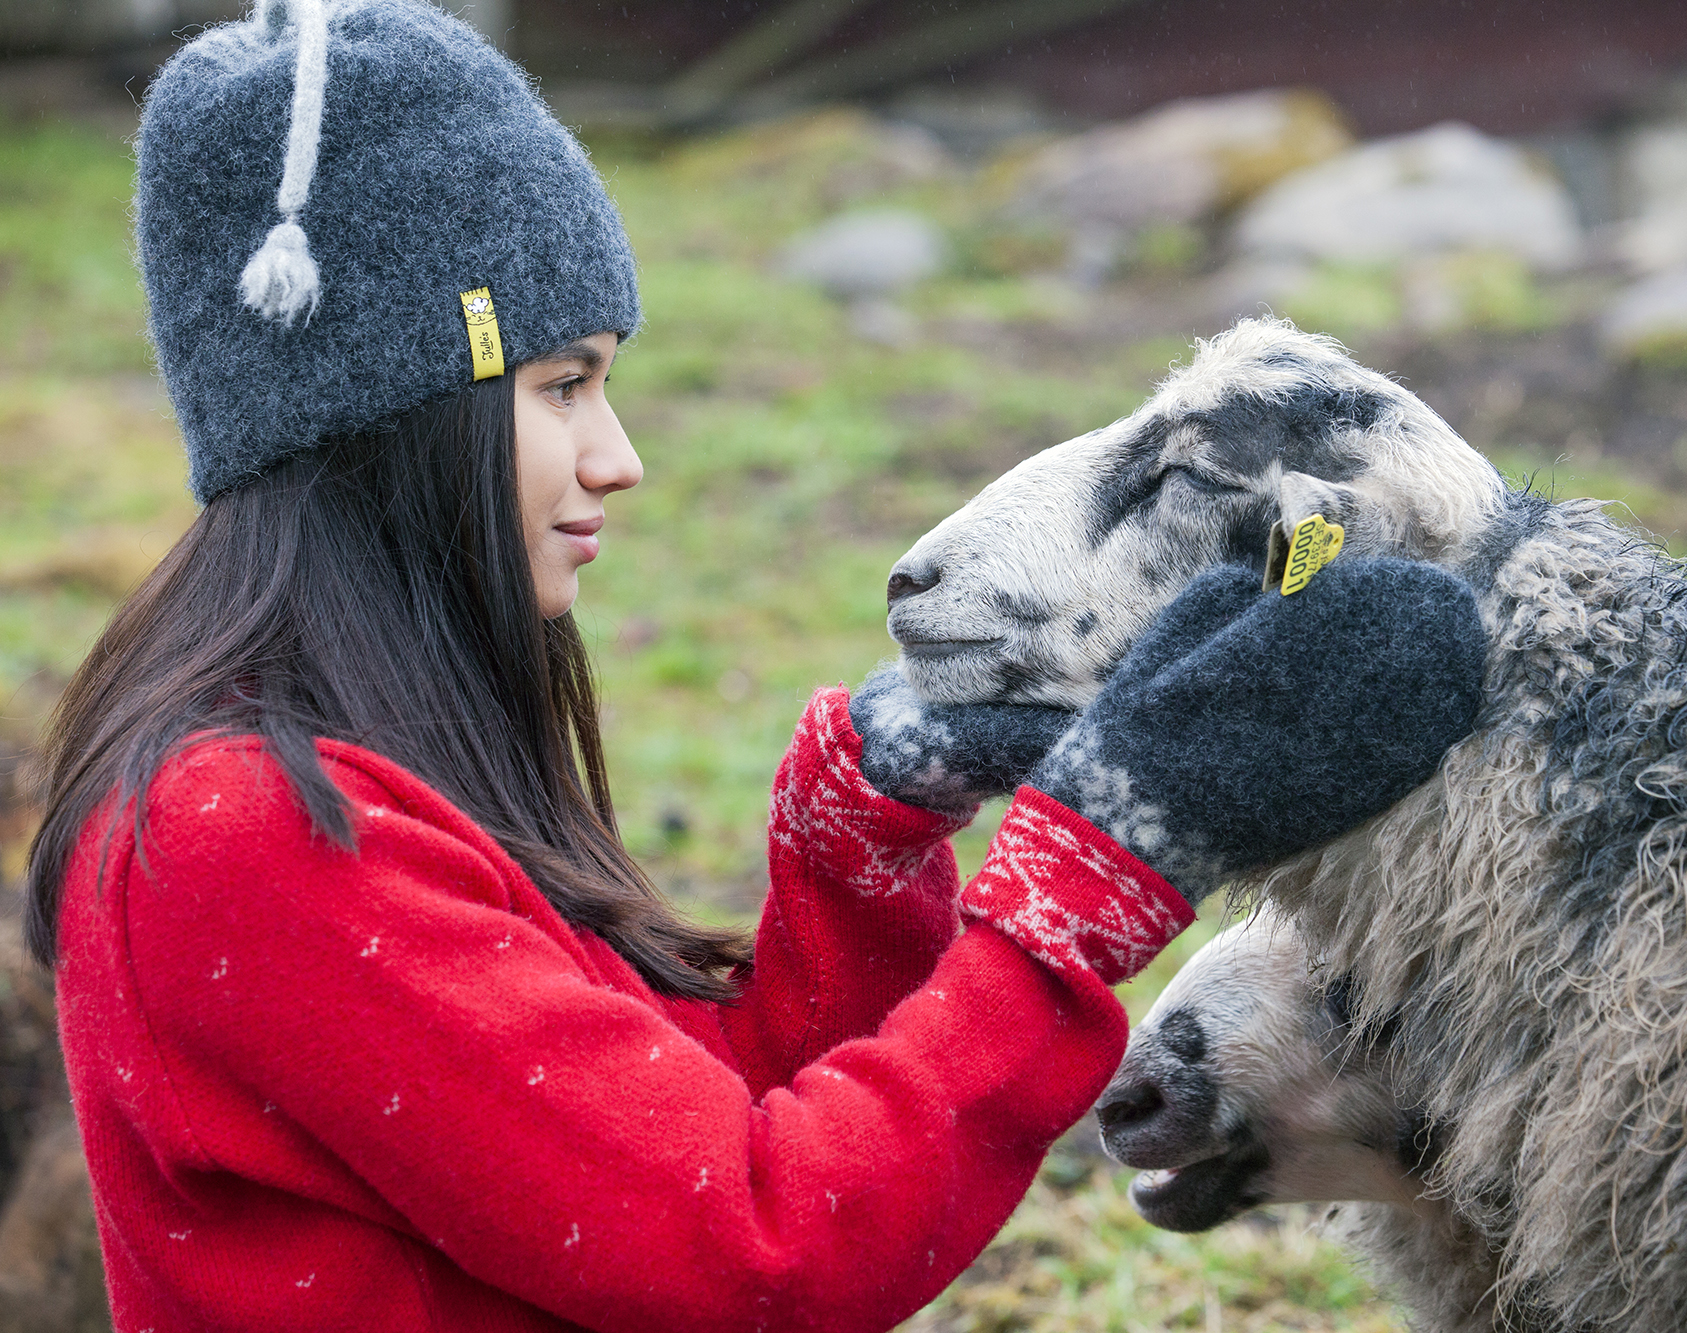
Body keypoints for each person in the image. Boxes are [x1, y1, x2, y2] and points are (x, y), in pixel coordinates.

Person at [25, 3, 1490, 1329]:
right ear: (393, 414)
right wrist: (1091, 874)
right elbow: (749, 1251)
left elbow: (673, 1133)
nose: (621, 455)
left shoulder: (342, 766)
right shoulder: (247, 833)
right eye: (560, 387)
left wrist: (863, 823)